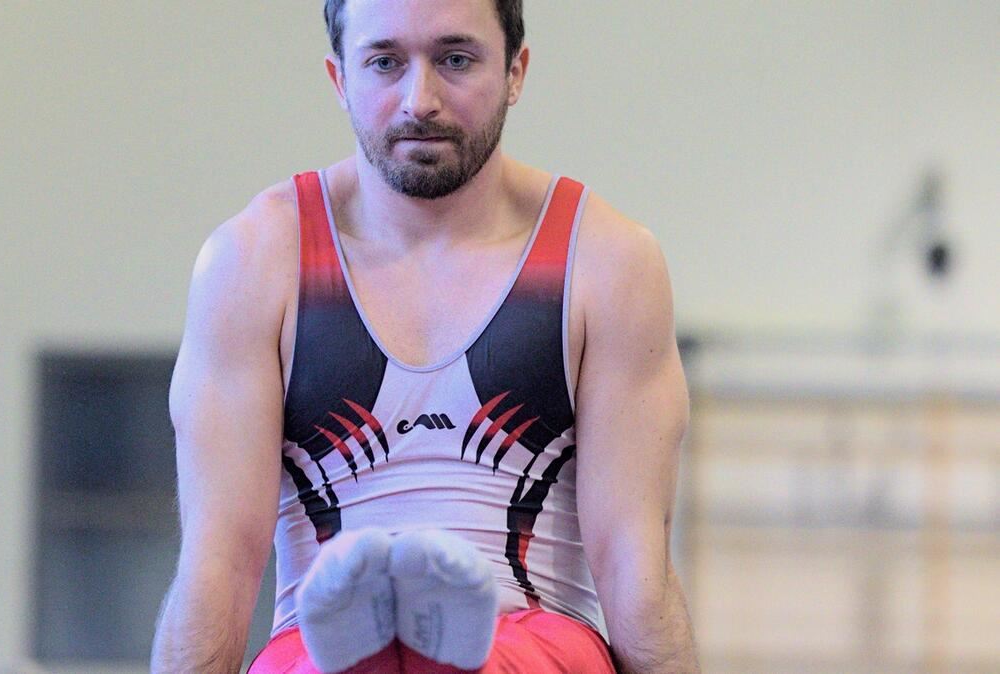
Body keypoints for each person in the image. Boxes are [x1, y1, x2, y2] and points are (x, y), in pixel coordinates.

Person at [151, 0, 699, 672]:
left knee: (517, 657)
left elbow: (632, 563)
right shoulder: (254, 260)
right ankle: (374, 642)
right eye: (385, 62)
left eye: (455, 59)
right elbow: (220, 564)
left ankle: (417, 646)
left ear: (515, 71)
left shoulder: (607, 260)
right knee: (302, 663)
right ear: (339, 78)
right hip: (314, 646)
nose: (421, 100)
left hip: (531, 637)